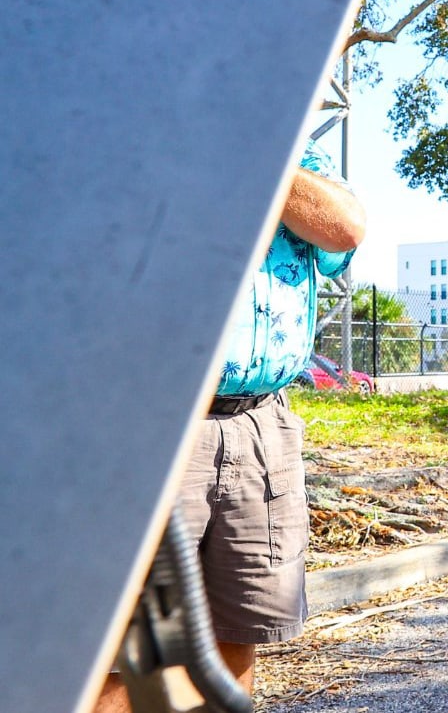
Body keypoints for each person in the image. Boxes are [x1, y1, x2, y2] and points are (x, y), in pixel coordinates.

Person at [95, 141, 365, 712]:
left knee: (240, 627)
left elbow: (344, 228)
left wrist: (262, 139)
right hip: (160, 424)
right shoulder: (162, 131)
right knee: (126, 645)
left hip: (261, 425)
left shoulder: (297, 150)